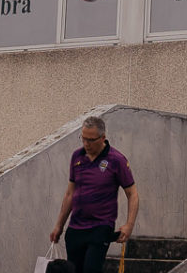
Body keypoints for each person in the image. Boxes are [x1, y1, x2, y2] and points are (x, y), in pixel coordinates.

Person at [49, 116, 138, 273]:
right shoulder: (77, 157)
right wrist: (59, 225)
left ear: (103, 137)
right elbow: (70, 193)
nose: (86, 144)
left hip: (100, 227)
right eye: (83, 139)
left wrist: (129, 225)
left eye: (90, 140)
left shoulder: (116, 160)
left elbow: (133, 194)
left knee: (91, 269)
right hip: (76, 228)